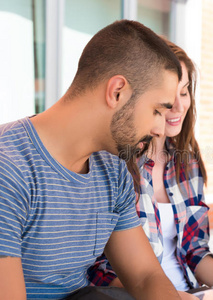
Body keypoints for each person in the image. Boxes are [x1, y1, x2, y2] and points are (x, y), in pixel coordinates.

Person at [0, 20, 184, 300]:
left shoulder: (113, 170)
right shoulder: (9, 167)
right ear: (117, 92)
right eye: (157, 110)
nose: (160, 130)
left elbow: (146, 278)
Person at [88, 40, 213, 300]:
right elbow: (97, 271)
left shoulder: (188, 160)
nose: (178, 106)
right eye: (168, 95)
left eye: (184, 92)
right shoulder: (113, 163)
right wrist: (170, 296)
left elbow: (195, 252)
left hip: (192, 293)